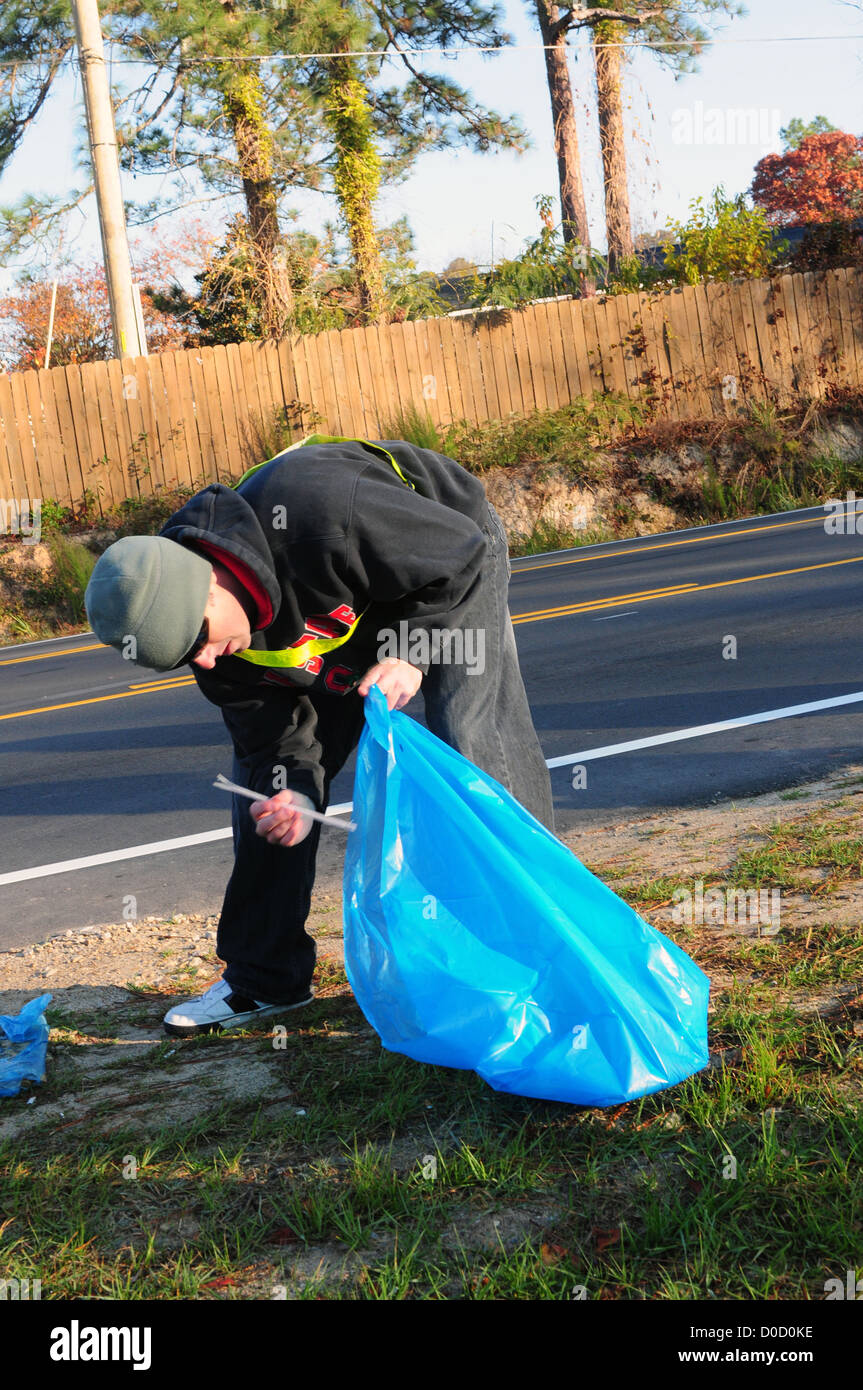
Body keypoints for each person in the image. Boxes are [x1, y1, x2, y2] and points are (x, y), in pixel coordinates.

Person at [84, 435, 555, 1037]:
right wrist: (298, 795)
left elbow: (460, 557)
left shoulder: (322, 512)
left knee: (472, 740)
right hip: (338, 618)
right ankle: (265, 979)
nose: (203, 661)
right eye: (184, 657)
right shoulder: (218, 650)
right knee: (266, 795)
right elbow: (275, 740)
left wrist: (413, 651)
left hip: (442, 562)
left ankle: (538, 945)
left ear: (209, 582)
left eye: (198, 637)